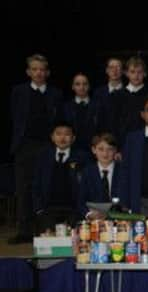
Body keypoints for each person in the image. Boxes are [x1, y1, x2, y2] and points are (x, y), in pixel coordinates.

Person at [9, 54, 64, 243]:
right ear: (28, 72)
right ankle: (24, 231)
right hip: (25, 146)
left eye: (42, 69)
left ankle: (42, 229)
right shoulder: (18, 92)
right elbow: (15, 118)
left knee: (44, 188)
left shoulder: (55, 94)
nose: (38, 72)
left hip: (47, 146)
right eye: (34, 69)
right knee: (23, 189)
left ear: (47, 72)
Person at [32, 122, 87, 233]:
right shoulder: (43, 157)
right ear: (52, 137)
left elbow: (87, 185)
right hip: (48, 209)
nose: (62, 137)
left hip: (74, 209)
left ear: (73, 138)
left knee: (75, 240)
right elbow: (36, 184)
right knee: (47, 241)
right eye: (58, 134)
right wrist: (39, 209)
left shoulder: (83, 157)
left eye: (67, 134)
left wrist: (82, 210)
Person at [78, 132, 120, 218]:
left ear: (115, 150)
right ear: (94, 150)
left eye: (110, 149)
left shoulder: (123, 171)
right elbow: (80, 200)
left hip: (119, 218)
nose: (105, 154)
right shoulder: (87, 172)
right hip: (94, 219)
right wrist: (89, 214)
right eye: (101, 149)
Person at [111, 56, 148, 148]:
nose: (136, 76)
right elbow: (113, 123)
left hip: (146, 142)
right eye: (132, 72)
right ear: (126, 73)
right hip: (124, 142)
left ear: (145, 73)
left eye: (139, 72)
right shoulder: (117, 96)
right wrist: (117, 147)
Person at [63, 73, 99, 154]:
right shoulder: (65, 107)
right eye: (78, 84)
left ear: (89, 86)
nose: (81, 87)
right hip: (71, 149)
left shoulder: (98, 106)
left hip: (93, 150)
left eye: (85, 84)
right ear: (73, 87)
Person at [93, 57, 123, 133]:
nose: (114, 70)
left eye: (118, 67)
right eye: (111, 67)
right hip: (103, 137)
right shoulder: (98, 93)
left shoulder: (128, 91)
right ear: (107, 70)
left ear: (122, 71)